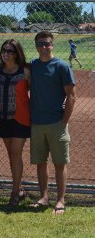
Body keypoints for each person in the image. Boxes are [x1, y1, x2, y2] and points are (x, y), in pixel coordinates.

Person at [30, 31, 76, 215]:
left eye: (47, 43)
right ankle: (44, 197)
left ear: (52, 45)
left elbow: (71, 96)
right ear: (36, 46)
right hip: (37, 123)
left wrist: (64, 121)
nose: (43, 47)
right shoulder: (33, 65)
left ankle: (60, 200)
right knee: (41, 162)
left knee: (60, 163)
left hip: (57, 122)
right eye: (40, 44)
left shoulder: (62, 66)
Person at [0, 39, 31, 206]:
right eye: (4, 50)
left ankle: (15, 193)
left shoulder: (25, 71)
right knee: (12, 156)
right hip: (4, 118)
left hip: (21, 119)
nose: (6, 53)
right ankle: (20, 189)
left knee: (16, 154)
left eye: (10, 51)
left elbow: (35, 92)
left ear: (17, 53)